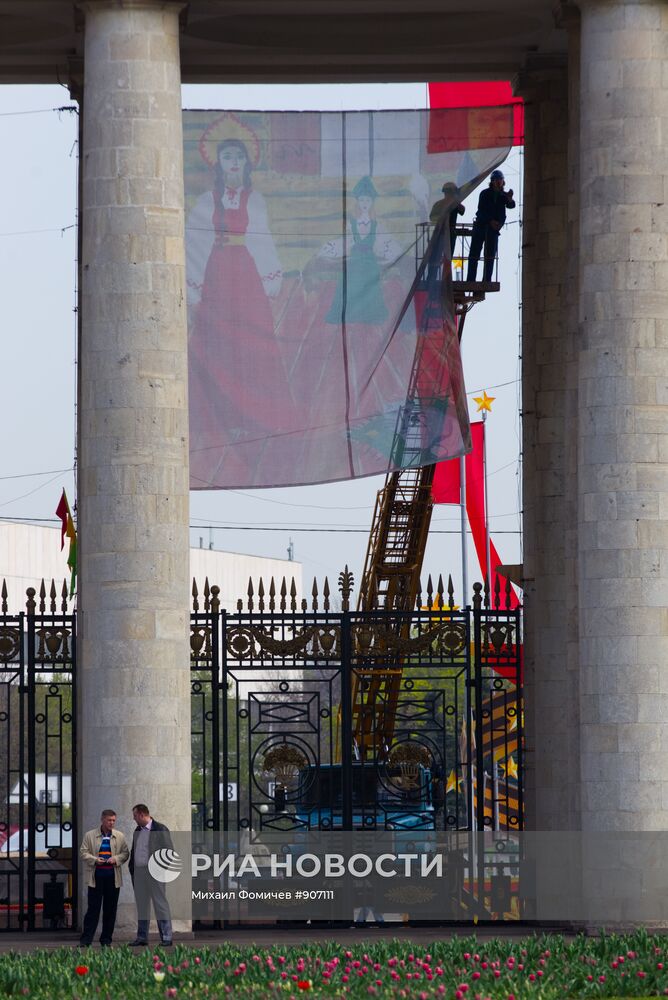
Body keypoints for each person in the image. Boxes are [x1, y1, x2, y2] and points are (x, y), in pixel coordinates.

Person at [186, 125, 297, 486]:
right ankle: (220, 414)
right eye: (226, 156)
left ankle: (259, 415)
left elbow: (262, 238)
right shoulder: (207, 201)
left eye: (238, 156)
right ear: (217, 163)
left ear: (246, 163)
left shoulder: (254, 200)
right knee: (217, 342)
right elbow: (194, 241)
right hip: (218, 272)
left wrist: (270, 277)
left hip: (244, 272)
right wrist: (196, 286)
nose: (232, 162)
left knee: (253, 342)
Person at [79, 809, 129, 947]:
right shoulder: (90, 835)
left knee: (110, 910)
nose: (111, 823)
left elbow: (125, 853)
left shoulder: (119, 836)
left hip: (113, 879)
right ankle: (86, 940)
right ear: (102, 820)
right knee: (93, 910)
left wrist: (116, 859)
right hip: (95, 879)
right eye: (109, 820)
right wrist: (95, 860)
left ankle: (106, 940)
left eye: (113, 820)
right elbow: (83, 852)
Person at [129, 803, 173, 947]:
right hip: (139, 873)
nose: (133, 818)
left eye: (135, 815)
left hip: (154, 873)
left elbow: (169, 852)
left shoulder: (160, 829)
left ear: (142, 814)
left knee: (160, 904)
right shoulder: (138, 830)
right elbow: (134, 851)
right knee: (142, 906)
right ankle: (142, 937)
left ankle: (166, 937)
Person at [466, 169, 515, 283]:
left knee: (490, 256)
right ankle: (470, 280)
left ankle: (487, 280)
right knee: (474, 255)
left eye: (500, 180)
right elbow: (480, 212)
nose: (498, 182)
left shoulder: (503, 196)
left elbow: (511, 205)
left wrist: (509, 198)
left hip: (493, 231)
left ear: (503, 182)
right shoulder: (485, 194)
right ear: (492, 181)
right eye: (496, 180)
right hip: (481, 227)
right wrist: (490, 221)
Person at [429, 181, 465, 257]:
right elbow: (432, 217)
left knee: (447, 257)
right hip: (440, 232)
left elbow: (462, 210)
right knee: (438, 257)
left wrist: (455, 202)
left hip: (449, 233)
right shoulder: (439, 204)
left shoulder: (454, 204)